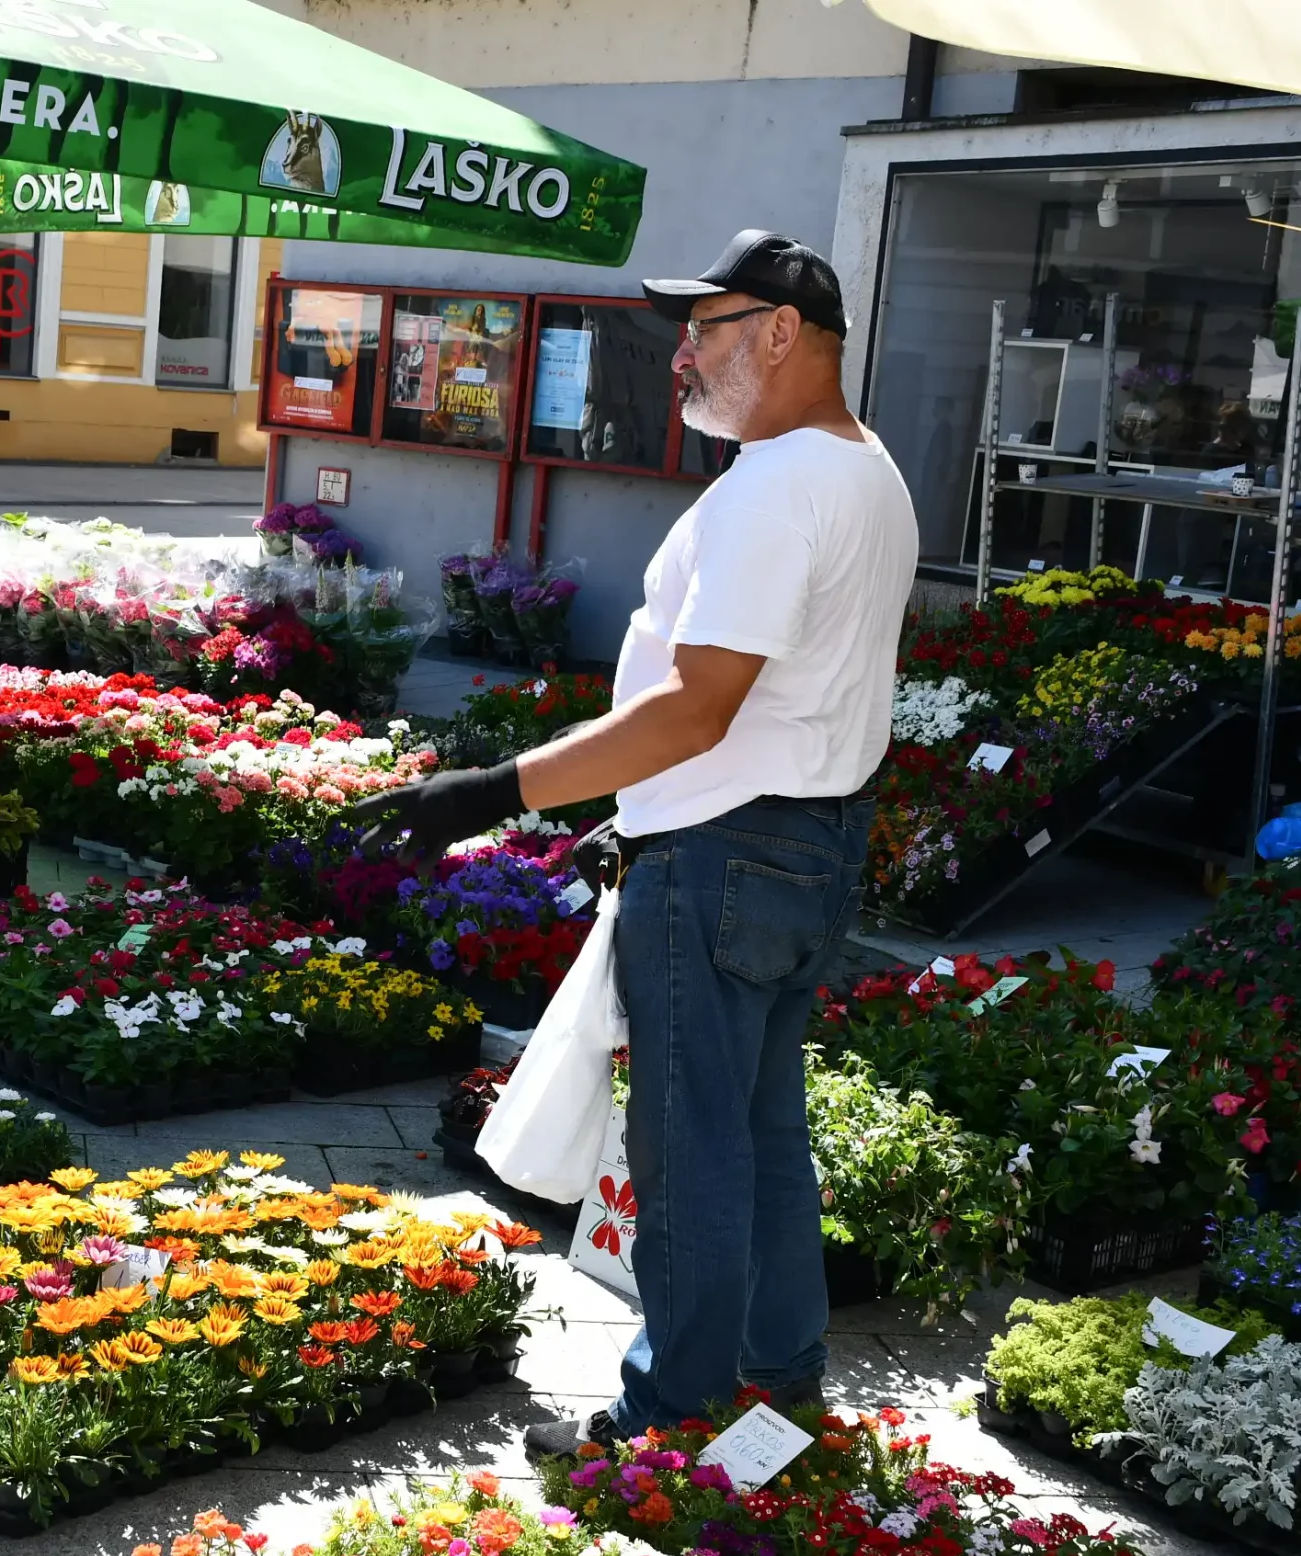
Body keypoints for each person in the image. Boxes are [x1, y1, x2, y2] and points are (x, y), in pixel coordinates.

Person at [347, 231, 918, 1452]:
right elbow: (764, 702)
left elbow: (693, 704)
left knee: (692, 1148)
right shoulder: (864, 467)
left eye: (704, 331)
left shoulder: (776, 483)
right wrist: (627, 802)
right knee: (761, 1130)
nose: (681, 361)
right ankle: (778, 1381)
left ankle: (668, 1420)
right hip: (801, 839)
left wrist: (495, 788)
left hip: (724, 854)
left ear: (780, 332)